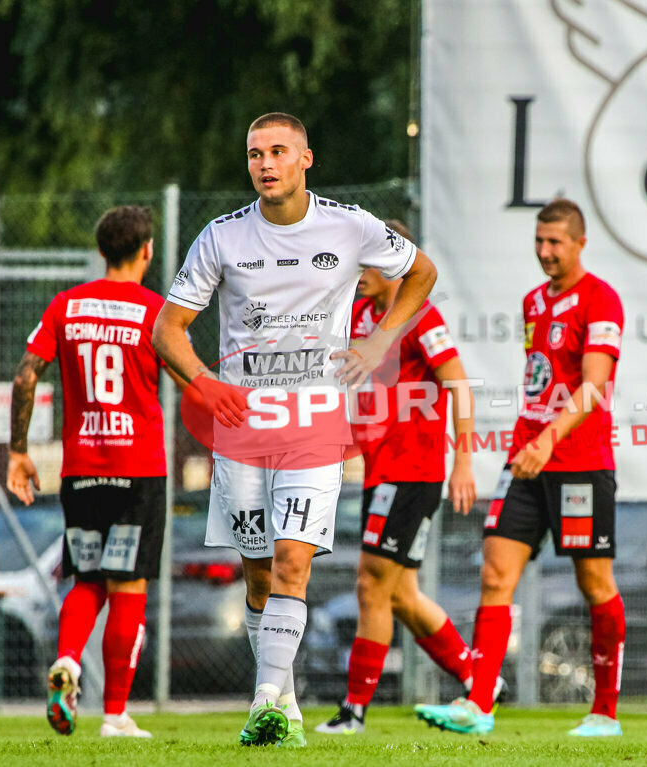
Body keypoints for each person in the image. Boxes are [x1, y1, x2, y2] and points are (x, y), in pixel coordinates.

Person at [152, 112, 437, 748]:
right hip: (244, 431)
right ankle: (285, 703)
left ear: (306, 158)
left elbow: (421, 273)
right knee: (257, 572)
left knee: (291, 561)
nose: (265, 164)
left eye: (278, 151)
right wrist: (203, 382)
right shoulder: (221, 238)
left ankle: (261, 706)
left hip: (314, 423)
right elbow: (165, 330)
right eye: (255, 154)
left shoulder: (350, 224)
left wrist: (380, 340)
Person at [415, 198, 626, 737]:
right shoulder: (534, 301)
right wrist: (530, 444)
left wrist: (550, 439)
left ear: (580, 243)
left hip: (578, 463)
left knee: (594, 581)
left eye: (555, 242)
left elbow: (594, 384)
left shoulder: (601, 299)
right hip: (525, 460)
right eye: (539, 241)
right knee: (495, 572)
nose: (545, 251)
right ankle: (478, 705)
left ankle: (604, 713)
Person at [316, 219, 492, 733]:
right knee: (401, 595)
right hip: (381, 472)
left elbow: (459, 385)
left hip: (412, 472)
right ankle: (480, 680)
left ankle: (353, 711)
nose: (359, 272)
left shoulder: (420, 316)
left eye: (368, 262)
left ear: (395, 265)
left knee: (371, 585)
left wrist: (462, 462)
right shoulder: (363, 316)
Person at [6, 205, 176, 738]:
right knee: (128, 588)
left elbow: (26, 376)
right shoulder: (155, 311)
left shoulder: (66, 306)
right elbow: (189, 376)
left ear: (102, 250)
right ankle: (115, 715)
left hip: (82, 470)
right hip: (137, 469)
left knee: (87, 580)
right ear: (147, 251)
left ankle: (69, 663)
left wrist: (18, 450)